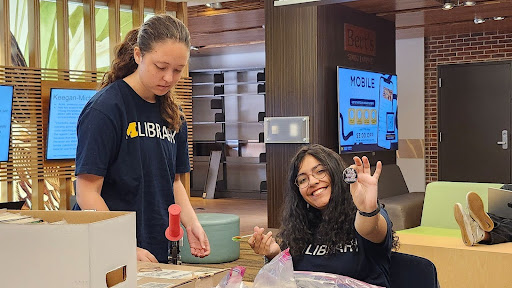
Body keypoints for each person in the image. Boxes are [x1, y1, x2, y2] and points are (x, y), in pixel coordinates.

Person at [74, 14, 210, 263]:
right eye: (161, 67)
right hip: (108, 246)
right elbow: (87, 192)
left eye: (178, 70)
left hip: (155, 241)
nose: (169, 78)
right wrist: (120, 243)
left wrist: (192, 224)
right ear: (138, 55)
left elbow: (174, 182)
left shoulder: (174, 115)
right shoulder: (106, 109)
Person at [248, 144, 398, 288]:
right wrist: (276, 255)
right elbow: (291, 280)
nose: (312, 181)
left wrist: (367, 209)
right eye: (303, 179)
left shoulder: (365, 215)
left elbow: (369, 228)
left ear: (336, 174)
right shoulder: (300, 226)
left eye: (320, 171)